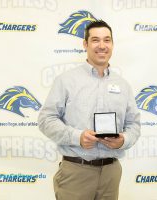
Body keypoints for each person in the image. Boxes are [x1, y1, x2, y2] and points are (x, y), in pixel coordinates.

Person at [38, 20, 141, 200]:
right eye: (95, 40)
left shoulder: (123, 85)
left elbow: (134, 124)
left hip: (111, 173)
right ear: (85, 44)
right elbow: (46, 119)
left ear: (112, 44)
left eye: (107, 40)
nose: (102, 46)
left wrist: (124, 140)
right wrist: (77, 137)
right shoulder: (66, 81)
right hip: (76, 173)